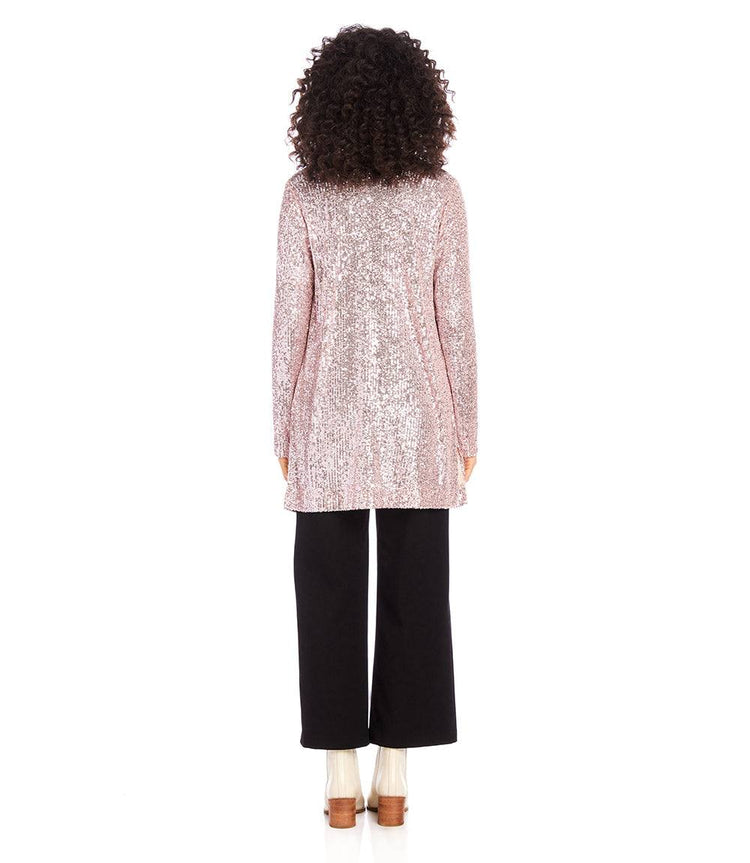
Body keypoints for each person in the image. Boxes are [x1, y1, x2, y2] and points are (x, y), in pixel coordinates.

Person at [272, 24, 478, 828]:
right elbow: (455, 321)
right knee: (417, 592)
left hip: (325, 416)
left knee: (324, 592)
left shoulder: (304, 194)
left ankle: (337, 775)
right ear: (419, 103)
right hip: (421, 417)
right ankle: (394, 775)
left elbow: (290, 323)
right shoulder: (439, 195)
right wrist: (468, 426)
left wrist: (282, 429)